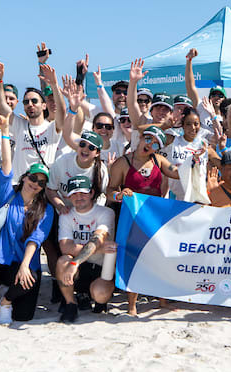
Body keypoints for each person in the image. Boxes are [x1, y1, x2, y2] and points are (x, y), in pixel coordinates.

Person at [0, 114, 55, 324]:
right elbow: (6, 165)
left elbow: (35, 240)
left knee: (24, 316)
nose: (35, 184)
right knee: (18, 280)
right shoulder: (8, 196)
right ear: (25, 177)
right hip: (6, 262)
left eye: (41, 183)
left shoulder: (46, 209)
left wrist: (26, 266)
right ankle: (3, 294)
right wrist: (5, 132)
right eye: (33, 178)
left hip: (27, 263)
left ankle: (4, 301)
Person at [108, 125, 180, 315]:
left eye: (156, 144)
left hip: (154, 216)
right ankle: (132, 305)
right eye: (148, 139)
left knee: (160, 255)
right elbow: (109, 191)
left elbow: (178, 173)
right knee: (135, 258)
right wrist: (120, 195)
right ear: (140, 138)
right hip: (132, 217)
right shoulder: (123, 163)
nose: (150, 145)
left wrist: (194, 162)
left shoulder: (158, 160)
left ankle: (162, 300)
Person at [55, 175, 117, 320]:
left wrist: (75, 261)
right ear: (68, 196)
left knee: (100, 295)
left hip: (100, 268)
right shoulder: (66, 215)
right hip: (78, 268)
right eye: (74, 193)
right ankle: (70, 303)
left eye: (83, 192)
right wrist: (100, 249)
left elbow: (97, 238)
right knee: (63, 261)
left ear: (91, 193)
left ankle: (97, 299)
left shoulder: (106, 213)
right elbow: (65, 247)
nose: (79, 197)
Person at [0, 60, 67, 178]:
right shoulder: (20, 125)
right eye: (26, 102)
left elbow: (62, 111)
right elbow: (1, 106)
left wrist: (54, 84)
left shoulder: (52, 127)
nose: (30, 104)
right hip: (20, 187)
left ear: (44, 105)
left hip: (44, 187)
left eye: (34, 101)